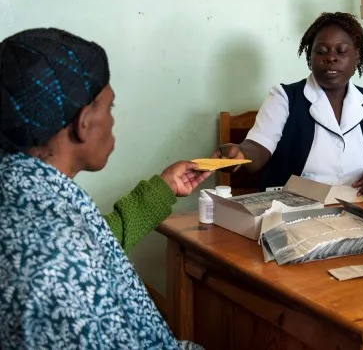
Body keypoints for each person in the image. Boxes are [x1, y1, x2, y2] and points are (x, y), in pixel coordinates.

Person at [0, 28, 210, 350]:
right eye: (110, 108)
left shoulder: (19, 190)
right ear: (83, 123)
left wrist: (163, 188)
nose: (113, 120)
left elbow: (96, 240)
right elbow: (75, 255)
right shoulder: (60, 260)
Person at [213, 12, 363, 195]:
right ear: (310, 56)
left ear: (356, 56)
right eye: (321, 51)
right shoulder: (284, 97)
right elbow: (259, 148)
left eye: (341, 51)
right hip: (293, 211)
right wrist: (240, 152)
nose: (331, 57)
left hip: (360, 206)